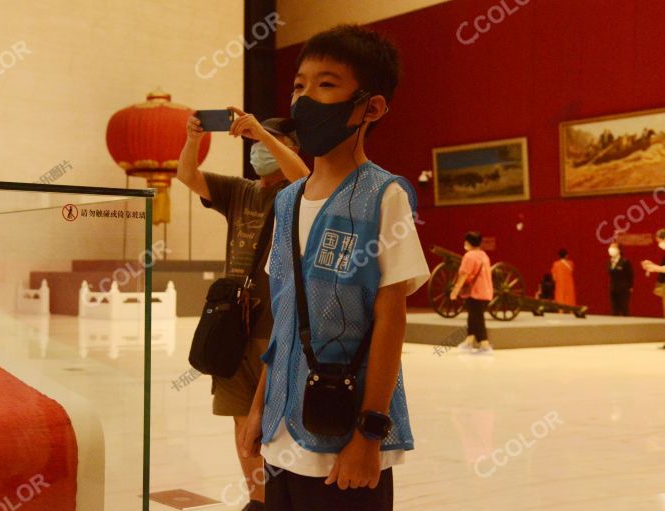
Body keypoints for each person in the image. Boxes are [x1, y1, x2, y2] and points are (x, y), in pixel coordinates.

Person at [239, 24, 429, 511]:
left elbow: (391, 319)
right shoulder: (286, 201)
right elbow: (284, 317)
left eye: (326, 84)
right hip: (282, 430)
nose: (305, 99)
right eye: (299, 85)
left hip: (345, 437)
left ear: (371, 107)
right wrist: (258, 407)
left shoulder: (384, 196)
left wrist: (369, 434)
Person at [177, 112, 309, 511]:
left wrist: (264, 136)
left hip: (277, 323)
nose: (257, 149)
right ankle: (258, 499)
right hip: (234, 324)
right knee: (240, 418)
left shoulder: (298, 194)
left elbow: (302, 176)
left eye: (268, 140)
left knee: (279, 422)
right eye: (254, 141)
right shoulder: (238, 191)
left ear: (290, 144)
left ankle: (284, 499)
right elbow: (187, 175)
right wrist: (191, 139)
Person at [450, 231, 494, 354]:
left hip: (475, 292)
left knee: (477, 318)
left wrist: (455, 291)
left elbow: (463, 275)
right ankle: (469, 341)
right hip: (486, 291)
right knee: (473, 317)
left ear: (468, 242)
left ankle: (485, 344)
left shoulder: (469, 256)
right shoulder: (484, 255)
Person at [608, 242, 633, 316]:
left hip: (623, 288)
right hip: (613, 287)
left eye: (614, 247)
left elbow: (630, 275)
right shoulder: (609, 262)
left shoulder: (625, 261)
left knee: (624, 307)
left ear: (619, 250)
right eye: (610, 247)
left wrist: (630, 286)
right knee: (614, 308)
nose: (611, 249)